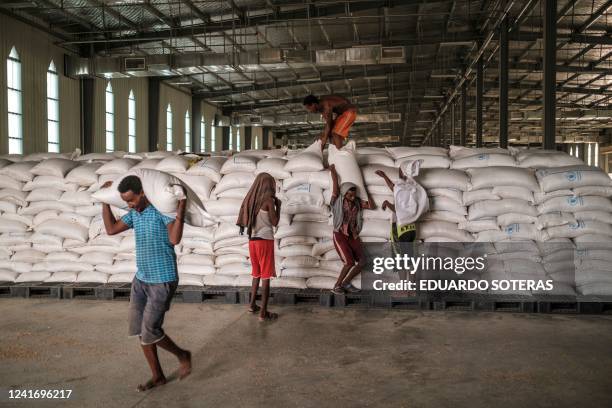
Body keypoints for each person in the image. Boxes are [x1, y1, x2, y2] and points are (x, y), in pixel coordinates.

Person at [101, 176, 191, 392]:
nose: (129, 205)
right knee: (140, 331)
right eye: (126, 202)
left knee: (150, 330)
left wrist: (181, 207)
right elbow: (111, 229)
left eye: (131, 200)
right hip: (141, 279)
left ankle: (182, 355)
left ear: (142, 193)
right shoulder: (135, 214)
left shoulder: (161, 211)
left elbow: (174, 239)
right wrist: (104, 201)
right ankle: (157, 376)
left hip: (162, 279)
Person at [236, 173, 281, 322]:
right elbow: (274, 222)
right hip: (265, 241)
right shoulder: (268, 200)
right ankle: (263, 313)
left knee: (256, 274)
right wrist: (278, 207)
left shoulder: (251, 200)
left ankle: (252, 305)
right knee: (266, 277)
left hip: (252, 241)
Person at [329, 164, 373, 295]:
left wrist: (365, 192)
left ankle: (346, 283)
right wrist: (333, 172)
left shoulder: (357, 202)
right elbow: (336, 188)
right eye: (350, 196)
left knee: (363, 261)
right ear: (344, 194)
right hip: (340, 235)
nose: (353, 198)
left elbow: (371, 205)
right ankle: (336, 286)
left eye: (354, 195)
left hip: (352, 235)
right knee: (349, 262)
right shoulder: (336, 201)